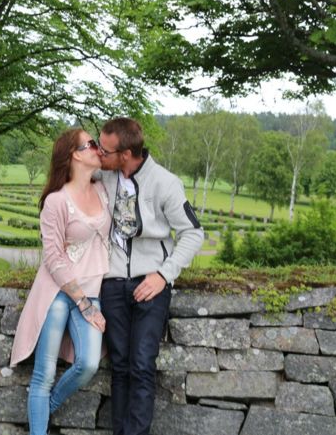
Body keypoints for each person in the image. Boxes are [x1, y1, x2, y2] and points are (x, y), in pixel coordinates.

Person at [97, 117, 204, 435]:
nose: (99, 154)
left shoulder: (166, 183)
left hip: (152, 284)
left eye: (105, 150)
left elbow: (193, 233)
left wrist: (163, 275)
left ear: (126, 154)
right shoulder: (103, 174)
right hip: (112, 283)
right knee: (119, 366)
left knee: (142, 364)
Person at [10, 129, 111, 435]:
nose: (98, 148)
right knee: (44, 374)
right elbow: (53, 258)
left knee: (88, 364)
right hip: (57, 292)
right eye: (91, 144)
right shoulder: (56, 201)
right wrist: (82, 303)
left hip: (92, 291)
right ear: (74, 154)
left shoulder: (103, 190)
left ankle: (43, 409)